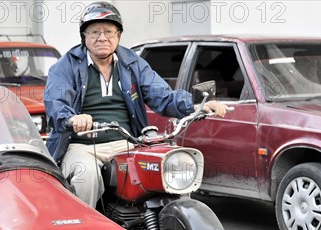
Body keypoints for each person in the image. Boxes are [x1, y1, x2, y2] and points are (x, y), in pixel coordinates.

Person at [44, 1, 228, 208]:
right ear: (84, 37)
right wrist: (71, 118)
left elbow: (162, 95)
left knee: (165, 167)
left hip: (127, 141)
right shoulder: (65, 66)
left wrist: (195, 106)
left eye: (108, 31)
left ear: (118, 36)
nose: (102, 37)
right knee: (86, 176)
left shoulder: (132, 63)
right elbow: (56, 103)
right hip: (82, 146)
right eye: (94, 32)